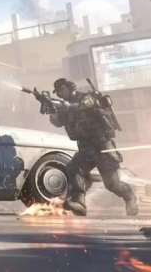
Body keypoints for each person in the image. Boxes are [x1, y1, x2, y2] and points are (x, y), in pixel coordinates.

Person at [44, 78, 137, 217]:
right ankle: (79, 202)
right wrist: (51, 108)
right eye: (57, 92)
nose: (60, 93)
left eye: (61, 89)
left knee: (112, 185)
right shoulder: (64, 107)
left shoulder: (88, 97)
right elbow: (58, 122)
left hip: (102, 145)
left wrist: (59, 104)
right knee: (73, 167)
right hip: (85, 147)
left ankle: (129, 197)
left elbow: (78, 106)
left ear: (71, 87)